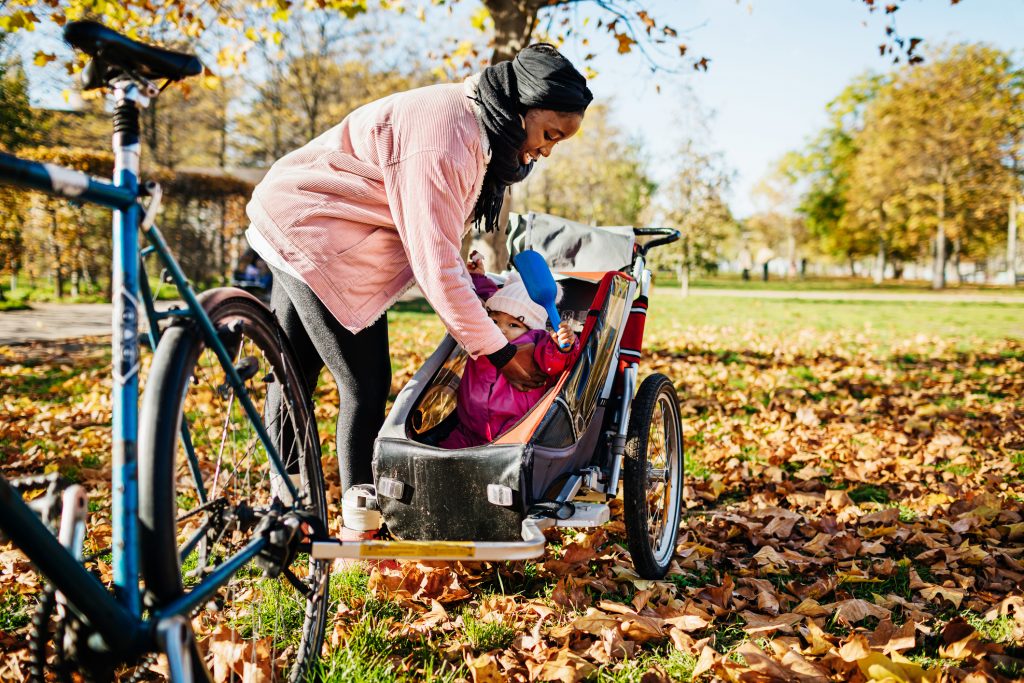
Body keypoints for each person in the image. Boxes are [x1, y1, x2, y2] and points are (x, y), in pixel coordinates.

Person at [244, 44, 593, 495]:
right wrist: (500, 353)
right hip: (315, 229)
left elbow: (439, 241)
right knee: (364, 385)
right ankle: (357, 516)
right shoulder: (448, 137)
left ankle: (287, 511)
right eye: (550, 134)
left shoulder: (476, 126)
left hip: (298, 215)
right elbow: (437, 266)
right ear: (522, 106)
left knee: (295, 372)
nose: (547, 151)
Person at [441, 254, 579, 449]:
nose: (501, 329)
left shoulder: (537, 343)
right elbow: (489, 300)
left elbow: (554, 361)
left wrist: (562, 345)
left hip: (511, 435)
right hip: (469, 428)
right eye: (495, 321)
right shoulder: (485, 332)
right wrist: (477, 277)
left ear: (531, 328)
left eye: (513, 325)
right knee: (440, 457)